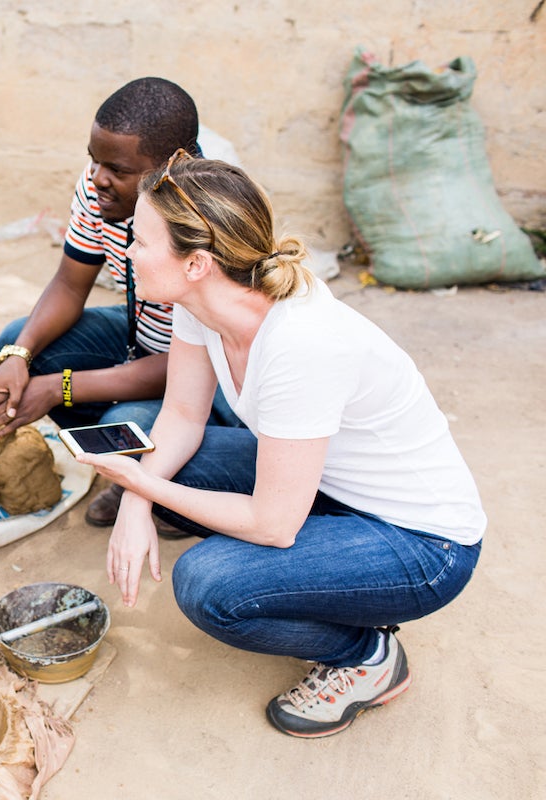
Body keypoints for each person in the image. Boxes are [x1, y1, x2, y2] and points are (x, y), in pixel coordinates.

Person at [77, 150, 485, 738]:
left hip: (425, 545)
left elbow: (273, 525)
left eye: (141, 241)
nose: (128, 249)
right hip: (331, 489)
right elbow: (183, 416)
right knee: (172, 476)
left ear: (195, 262)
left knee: (208, 586)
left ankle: (365, 656)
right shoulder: (202, 301)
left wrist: (136, 481)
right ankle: (331, 587)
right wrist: (141, 499)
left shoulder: (302, 345)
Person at [0, 77, 239, 528]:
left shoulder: (210, 222)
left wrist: (59, 387)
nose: (98, 179)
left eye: (116, 168)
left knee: (126, 421)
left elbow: (191, 362)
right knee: (18, 340)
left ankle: (173, 485)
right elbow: (70, 285)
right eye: (94, 161)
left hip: (206, 380)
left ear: (172, 165)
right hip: (140, 335)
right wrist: (18, 358)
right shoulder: (101, 188)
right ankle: (141, 464)